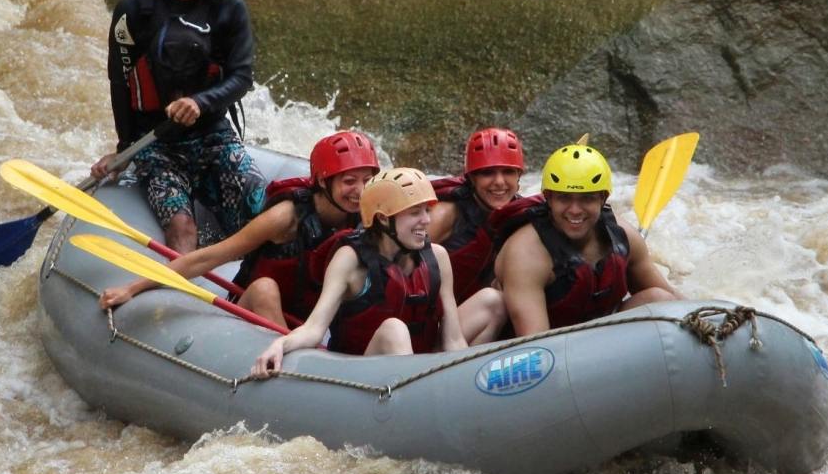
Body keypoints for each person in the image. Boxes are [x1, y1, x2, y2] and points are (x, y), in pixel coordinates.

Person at [90, 0, 265, 256]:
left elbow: (242, 76)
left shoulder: (229, 10)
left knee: (258, 207)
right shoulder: (134, 12)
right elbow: (120, 80)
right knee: (182, 228)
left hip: (213, 136)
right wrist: (125, 147)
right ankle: (181, 293)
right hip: (157, 144)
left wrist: (200, 102)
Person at [97, 130, 380, 325]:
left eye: (366, 180)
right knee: (265, 289)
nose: (360, 190)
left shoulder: (366, 215)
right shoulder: (286, 216)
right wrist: (133, 288)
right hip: (253, 309)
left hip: (306, 318)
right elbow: (210, 256)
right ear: (322, 181)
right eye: (349, 181)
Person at [252, 168, 508, 377]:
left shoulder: (438, 257)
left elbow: (453, 341)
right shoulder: (350, 260)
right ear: (384, 219)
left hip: (422, 366)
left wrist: (465, 383)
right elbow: (314, 329)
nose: (427, 221)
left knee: (491, 300)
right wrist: (280, 344)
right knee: (394, 329)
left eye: (427, 211)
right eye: (414, 213)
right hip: (359, 373)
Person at [492, 140, 678, 336]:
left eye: (587, 198)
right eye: (564, 198)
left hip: (598, 336)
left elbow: (673, 300)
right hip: (545, 348)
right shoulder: (526, 253)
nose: (575, 210)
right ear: (549, 198)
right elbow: (534, 344)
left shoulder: (622, 236)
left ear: (603, 199)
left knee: (659, 299)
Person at [428, 127, 525, 303]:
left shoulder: (521, 216)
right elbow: (403, 270)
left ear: (519, 175)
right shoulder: (445, 214)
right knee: (493, 302)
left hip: (477, 314)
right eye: (488, 173)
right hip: (436, 317)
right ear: (472, 178)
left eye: (508, 172)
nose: (499, 182)